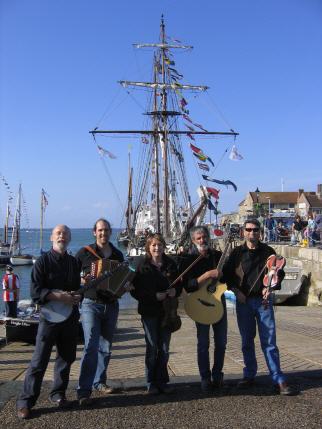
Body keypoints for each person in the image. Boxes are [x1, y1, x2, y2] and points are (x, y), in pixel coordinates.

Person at [223, 219, 296, 396]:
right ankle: (249, 375)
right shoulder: (236, 253)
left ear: (260, 232)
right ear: (243, 232)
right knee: (247, 341)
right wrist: (235, 290)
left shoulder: (268, 252)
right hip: (244, 302)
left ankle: (278, 379)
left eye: (255, 230)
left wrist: (270, 287)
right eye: (248, 230)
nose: (252, 233)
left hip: (263, 302)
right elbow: (227, 275)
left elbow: (278, 273)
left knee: (269, 342)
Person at [16, 225, 81, 419]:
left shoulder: (73, 262)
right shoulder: (42, 262)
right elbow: (36, 292)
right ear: (52, 237)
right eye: (58, 233)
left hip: (69, 317)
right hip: (48, 317)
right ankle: (26, 402)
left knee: (66, 357)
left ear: (69, 238)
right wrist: (59, 297)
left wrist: (77, 297)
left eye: (65, 233)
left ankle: (58, 394)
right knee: (39, 360)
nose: (62, 236)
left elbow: (76, 289)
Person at [75, 218, 128, 404]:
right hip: (91, 303)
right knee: (90, 345)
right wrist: (81, 280)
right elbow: (73, 276)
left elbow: (123, 278)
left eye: (106, 230)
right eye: (100, 230)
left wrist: (125, 286)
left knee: (106, 347)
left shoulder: (117, 255)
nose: (103, 233)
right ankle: (83, 390)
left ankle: (100, 382)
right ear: (94, 232)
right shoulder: (84, 253)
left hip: (111, 304)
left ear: (110, 232)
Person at [131, 233, 180, 395]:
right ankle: (150, 382)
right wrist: (153, 296)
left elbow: (179, 285)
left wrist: (175, 291)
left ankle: (162, 381)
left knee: (164, 348)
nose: (157, 248)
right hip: (149, 312)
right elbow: (135, 291)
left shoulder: (171, 264)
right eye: (153, 245)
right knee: (152, 348)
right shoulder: (141, 265)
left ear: (163, 246)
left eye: (159, 245)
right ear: (148, 247)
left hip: (168, 312)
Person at [180, 226, 227, 393]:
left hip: (218, 302)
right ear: (193, 240)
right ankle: (205, 378)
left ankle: (217, 374)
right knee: (203, 344)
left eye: (204, 237)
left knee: (221, 342)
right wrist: (207, 275)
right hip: (200, 303)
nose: (202, 240)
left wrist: (222, 275)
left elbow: (228, 279)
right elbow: (188, 285)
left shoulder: (217, 256)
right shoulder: (188, 259)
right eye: (198, 238)